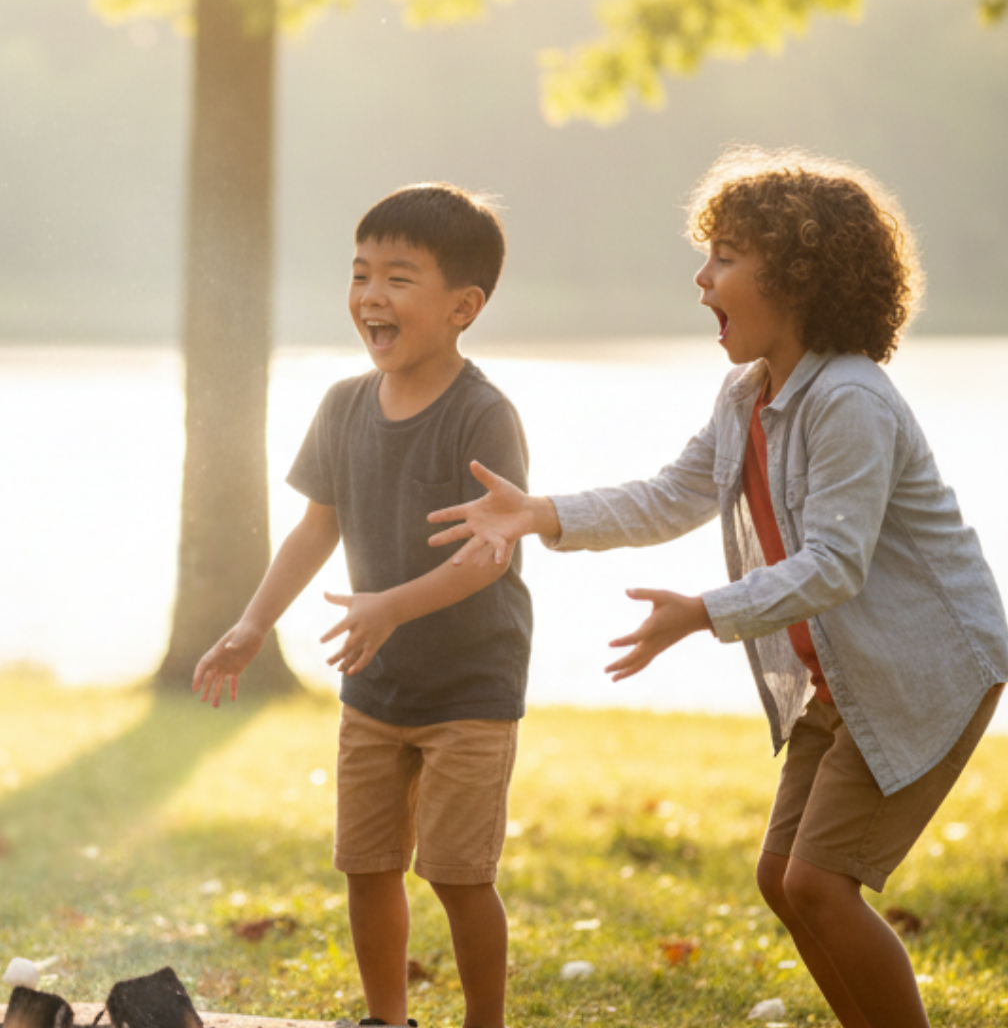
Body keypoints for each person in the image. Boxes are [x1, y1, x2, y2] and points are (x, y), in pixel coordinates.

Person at [429, 146, 1007, 1028]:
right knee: (786, 880)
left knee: (819, 881)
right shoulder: (746, 395)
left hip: (926, 669)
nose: (702, 280)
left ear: (801, 278)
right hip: (845, 677)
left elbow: (836, 564)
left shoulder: (850, 399)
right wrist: (540, 513)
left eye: (726, 257)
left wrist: (704, 614)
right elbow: (675, 494)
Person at [194, 185, 532, 1028]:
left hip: (470, 689)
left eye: (398, 278)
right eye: (360, 274)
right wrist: (251, 624)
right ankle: (387, 1021)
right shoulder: (343, 406)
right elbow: (317, 527)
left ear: (463, 307)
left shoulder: (483, 416)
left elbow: (489, 559)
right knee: (368, 863)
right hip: (376, 687)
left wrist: (390, 606)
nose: (371, 297)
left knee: (458, 874)